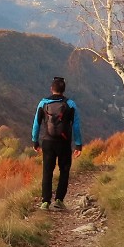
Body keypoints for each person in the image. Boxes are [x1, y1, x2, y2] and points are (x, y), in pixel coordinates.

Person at [31, 76, 82, 210]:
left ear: (51, 89)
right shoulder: (70, 104)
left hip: (48, 142)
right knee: (64, 171)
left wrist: (35, 141)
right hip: (64, 143)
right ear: (63, 90)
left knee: (47, 171)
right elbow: (76, 126)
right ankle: (59, 200)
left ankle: (45, 201)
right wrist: (78, 144)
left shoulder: (43, 103)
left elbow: (36, 123)